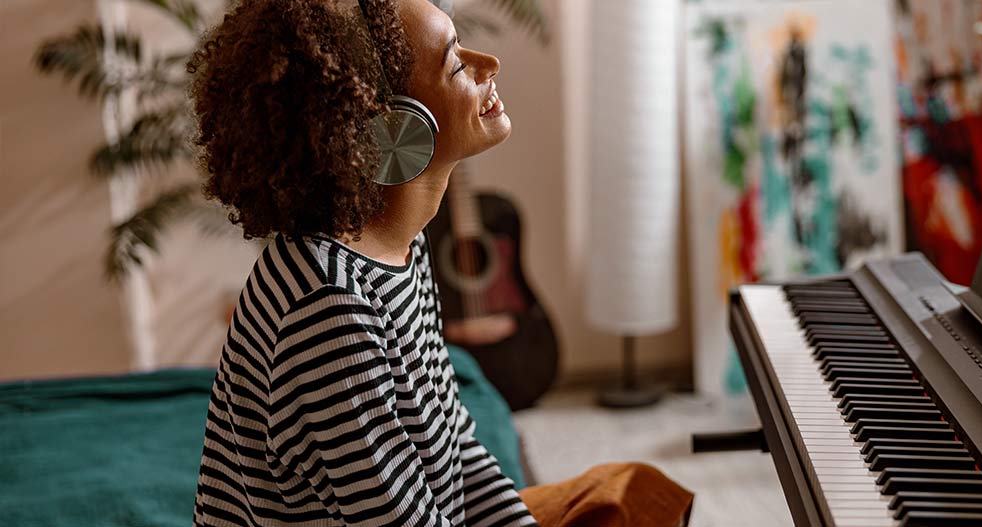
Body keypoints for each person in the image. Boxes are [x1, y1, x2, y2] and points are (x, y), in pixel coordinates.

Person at [187, 0, 693, 526]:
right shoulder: (329, 309)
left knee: (635, 492)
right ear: (396, 128)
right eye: (456, 61)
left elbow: (458, 449)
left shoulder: (399, 243)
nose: (488, 63)